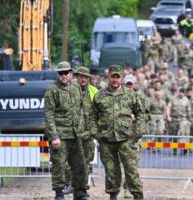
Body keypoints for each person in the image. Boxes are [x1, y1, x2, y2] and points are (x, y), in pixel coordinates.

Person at [90, 65, 149, 200]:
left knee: (131, 170)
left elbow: (142, 113)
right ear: (108, 77)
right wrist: (96, 134)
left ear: (122, 78)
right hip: (106, 140)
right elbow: (92, 117)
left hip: (126, 139)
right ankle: (113, 195)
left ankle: (138, 196)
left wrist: (137, 132)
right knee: (111, 171)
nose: (115, 80)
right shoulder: (99, 96)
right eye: (113, 76)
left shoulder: (130, 95)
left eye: (118, 77)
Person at [43, 62, 90, 200]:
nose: (64, 75)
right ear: (57, 74)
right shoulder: (52, 90)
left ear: (71, 73)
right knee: (59, 165)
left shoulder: (76, 87)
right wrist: (54, 136)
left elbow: (81, 109)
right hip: (60, 135)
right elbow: (49, 115)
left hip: (75, 135)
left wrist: (83, 128)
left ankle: (80, 193)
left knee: (80, 165)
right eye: (61, 73)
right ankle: (59, 193)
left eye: (66, 73)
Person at [73, 66, 99, 179]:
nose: (83, 79)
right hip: (73, 133)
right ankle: (72, 184)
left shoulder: (94, 91)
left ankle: (82, 187)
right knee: (72, 161)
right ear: (77, 77)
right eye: (81, 77)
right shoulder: (70, 90)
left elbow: (100, 111)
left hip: (88, 133)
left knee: (87, 160)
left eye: (86, 77)